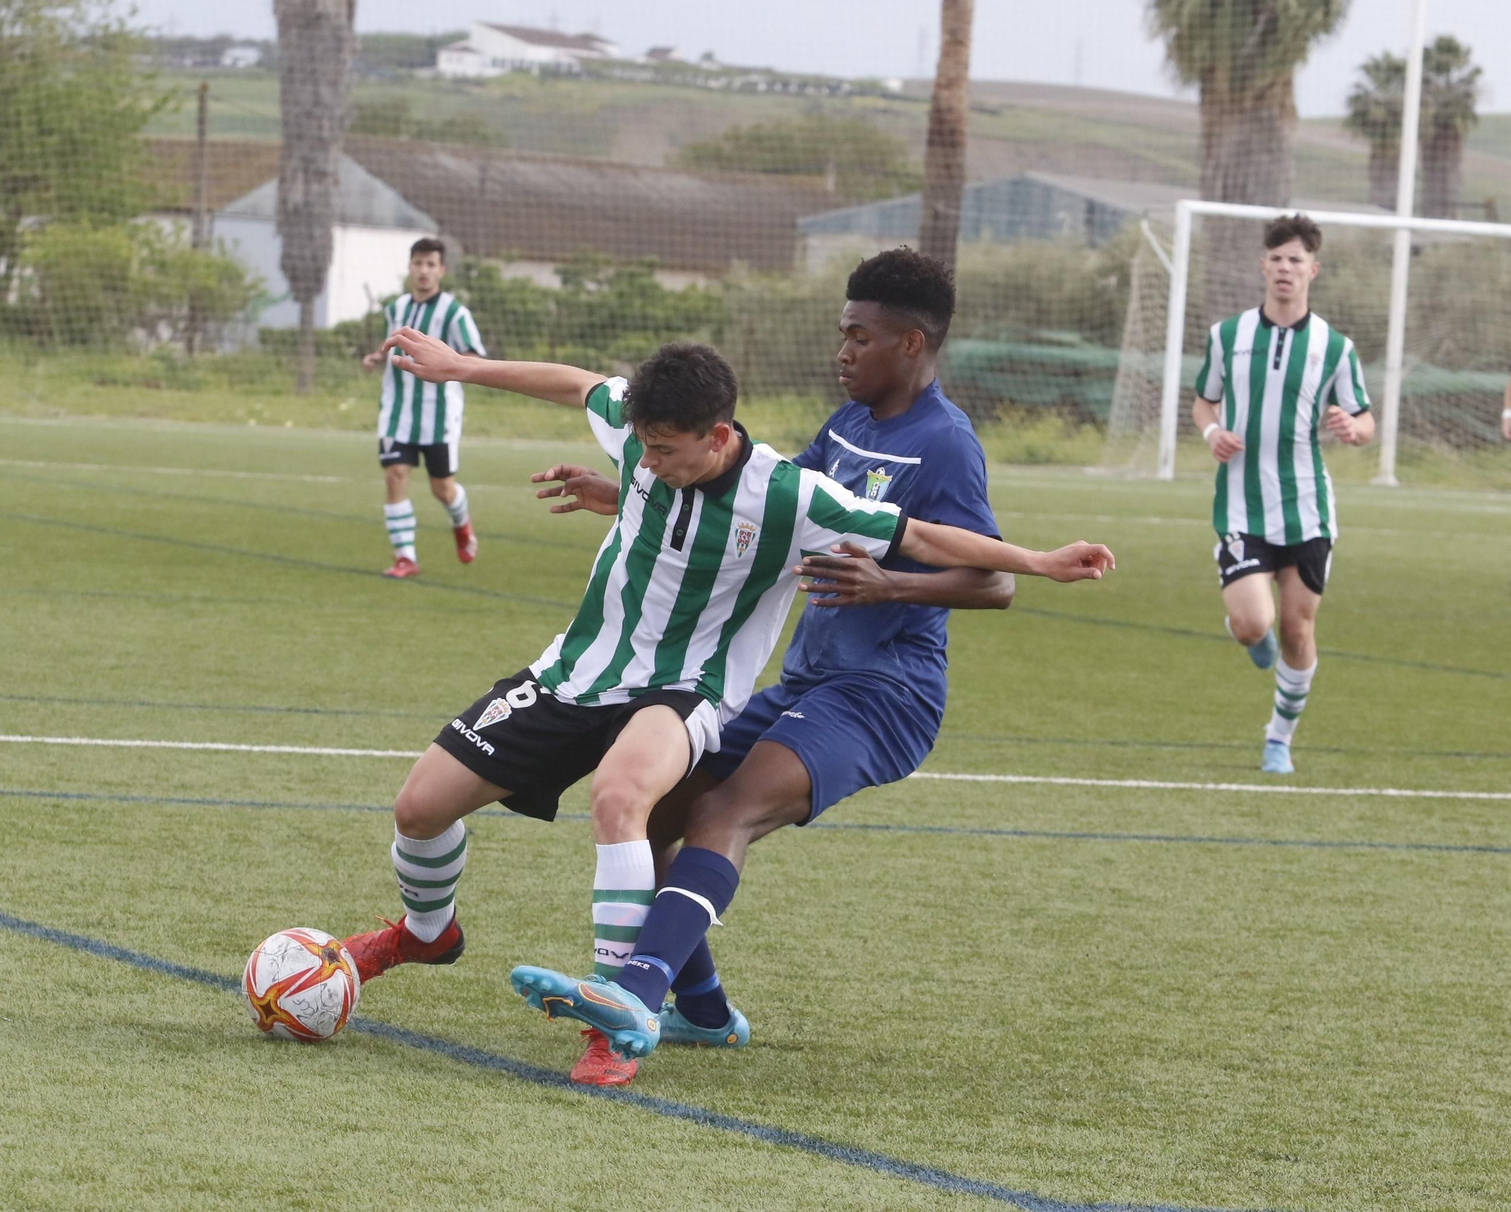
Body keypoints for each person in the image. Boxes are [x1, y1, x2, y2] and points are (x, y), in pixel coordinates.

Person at [336, 334, 1116, 1014]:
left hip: (684, 689)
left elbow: (925, 535)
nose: (646, 460)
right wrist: (460, 368)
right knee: (419, 808)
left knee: (622, 798)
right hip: (576, 670)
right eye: (640, 445)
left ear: (715, 436)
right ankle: (427, 936)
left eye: (664, 451)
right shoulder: (642, 435)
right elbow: (577, 384)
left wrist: (1039, 562)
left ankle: (615, 1003)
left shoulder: (790, 495)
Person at [523, 248, 1017, 1087]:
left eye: (860, 337)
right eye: (842, 333)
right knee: (655, 808)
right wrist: (635, 496)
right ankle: (704, 1013)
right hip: (805, 682)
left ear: (911, 344)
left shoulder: (946, 444)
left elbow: (997, 580)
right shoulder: (848, 426)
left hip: (885, 693)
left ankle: (634, 995)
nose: (843, 350)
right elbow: (770, 513)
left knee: (726, 811)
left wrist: (889, 582)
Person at [1191, 213, 1373, 775]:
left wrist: (1353, 428)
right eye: (1277, 259)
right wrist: (1211, 433)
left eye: (1296, 260)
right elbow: (1204, 401)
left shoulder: (1335, 347)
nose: (1285, 269)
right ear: (1263, 266)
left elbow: (1366, 421)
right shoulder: (1228, 335)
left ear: (1312, 270)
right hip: (1241, 505)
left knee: (1297, 628)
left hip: (1307, 508)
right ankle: (1250, 632)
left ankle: (1279, 739)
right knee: (1253, 626)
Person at [361, 237, 486, 576]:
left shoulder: (455, 313)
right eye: (418, 263)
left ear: (441, 270)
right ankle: (405, 557)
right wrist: (377, 356)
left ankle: (462, 525)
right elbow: (392, 343)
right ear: (410, 267)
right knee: (395, 475)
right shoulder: (396, 309)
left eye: (431, 264)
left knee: (442, 489)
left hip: (439, 414)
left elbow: (475, 356)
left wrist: (450, 361)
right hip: (396, 411)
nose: (424, 271)